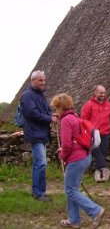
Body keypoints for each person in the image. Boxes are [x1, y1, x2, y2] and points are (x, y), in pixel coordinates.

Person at [51, 94, 105, 228]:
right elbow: (73, 140)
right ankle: (74, 220)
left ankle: (95, 210)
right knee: (72, 188)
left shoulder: (65, 121)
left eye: (56, 107)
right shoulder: (75, 117)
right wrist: (64, 149)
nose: (55, 110)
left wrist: (63, 155)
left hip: (76, 159)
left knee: (70, 190)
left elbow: (68, 145)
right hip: (85, 156)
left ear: (60, 107)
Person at [20, 70, 58, 201]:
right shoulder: (27, 95)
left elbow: (46, 110)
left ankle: (38, 191)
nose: (43, 82)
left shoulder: (40, 95)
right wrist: (49, 119)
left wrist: (51, 115)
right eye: (40, 80)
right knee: (41, 163)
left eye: (44, 80)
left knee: (39, 163)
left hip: (41, 133)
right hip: (35, 133)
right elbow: (32, 113)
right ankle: (38, 193)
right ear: (33, 81)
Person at [81, 85, 110, 182]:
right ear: (95, 93)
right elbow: (83, 120)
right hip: (93, 134)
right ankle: (105, 169)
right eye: (101, 93)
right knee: (96, 152)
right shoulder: (88, 105)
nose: (103, 95)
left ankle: (98, 173)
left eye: (104, 93)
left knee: (102, 154)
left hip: (105, 133)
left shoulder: (109, 105)